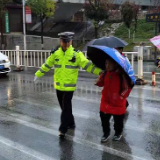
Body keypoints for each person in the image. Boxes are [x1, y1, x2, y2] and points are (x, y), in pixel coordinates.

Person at [34, 32, 102, 138]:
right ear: (61, 41)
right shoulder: (55, 53)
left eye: (68, 41)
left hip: (69, 87)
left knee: (66, 107)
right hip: (58, 86)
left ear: (71, 41)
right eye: (64, 41)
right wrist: (38, 74)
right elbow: (47, 64)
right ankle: (71, 123)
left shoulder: (76, 54)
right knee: (64, 107)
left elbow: (87, 65)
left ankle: (63, 129)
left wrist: (100, 72)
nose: (66, 44)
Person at [95, 58, 133, 143]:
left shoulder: (122, 75)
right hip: (106, 101)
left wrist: (121, 97)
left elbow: (127, 88)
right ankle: (106, 133)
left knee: (118, 121)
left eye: (109, 64)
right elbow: (101, 83)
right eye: (106, 64)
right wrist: (98, 81)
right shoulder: (105, 73)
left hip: (118, 103)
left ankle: (118, 133)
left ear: (115, 64)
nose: (107, 66)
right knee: (103, 118)